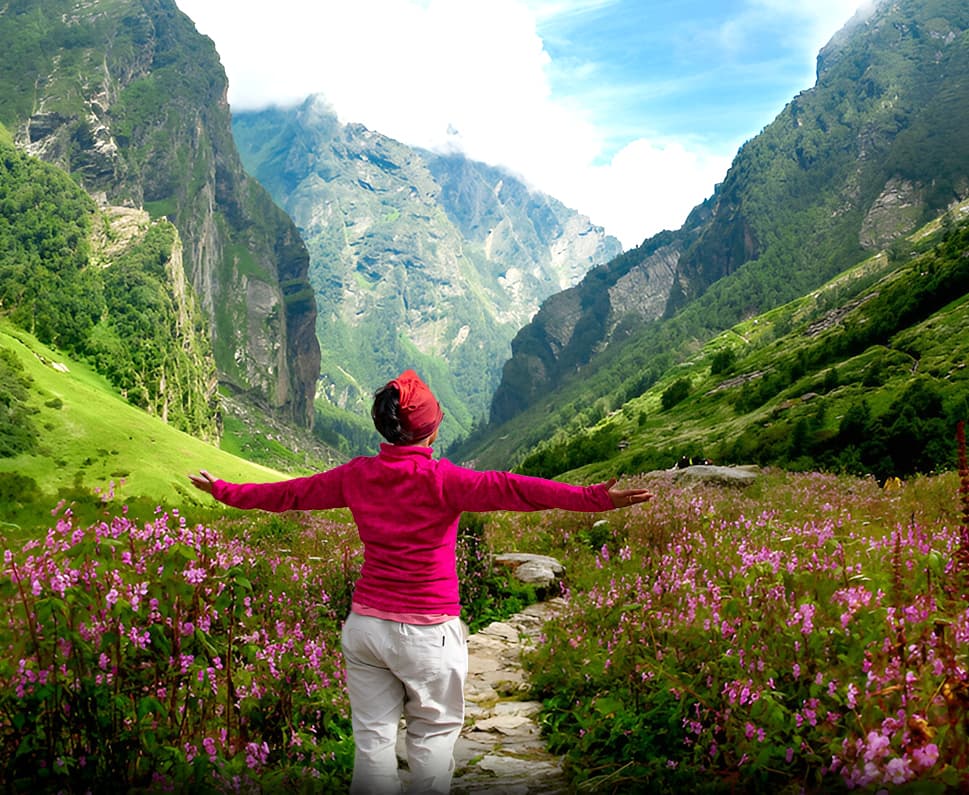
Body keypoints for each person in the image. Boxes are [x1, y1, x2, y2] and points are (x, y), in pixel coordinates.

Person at [189, 369, 652, 794]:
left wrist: (224, 491)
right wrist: (595, 498)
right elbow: (515, 489)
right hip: (429, 633)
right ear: (431, 429)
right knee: (431, 742)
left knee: (373, 743)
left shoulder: (356, 476)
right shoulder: (443, 479)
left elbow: (290, 494)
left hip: (366, 628)